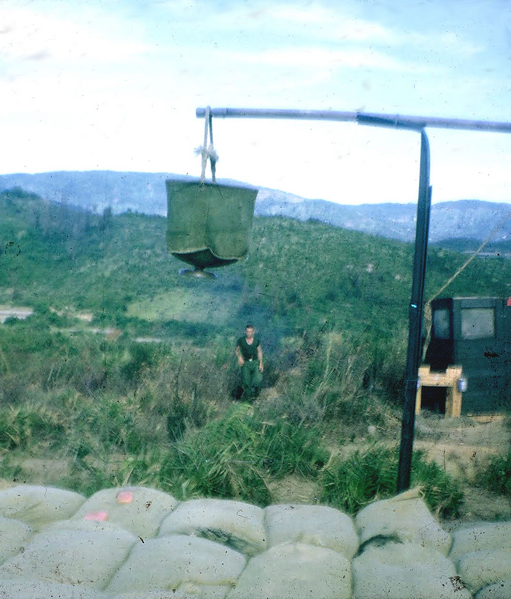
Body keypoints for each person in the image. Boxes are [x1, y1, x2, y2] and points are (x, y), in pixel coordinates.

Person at [235, 324, 263, 400]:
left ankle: (256, 395)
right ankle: (249, 399)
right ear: (245, 332)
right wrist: (239, 358)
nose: (249, 333)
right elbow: (236, 351)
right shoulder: (241, 340)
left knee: (258, 380)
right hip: (246, 363)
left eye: (250, 331)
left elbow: (259, 352)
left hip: (255, 362)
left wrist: (261, 363)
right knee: (246, 382)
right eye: (247, 331)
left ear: (253, 332)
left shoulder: (256, 341)